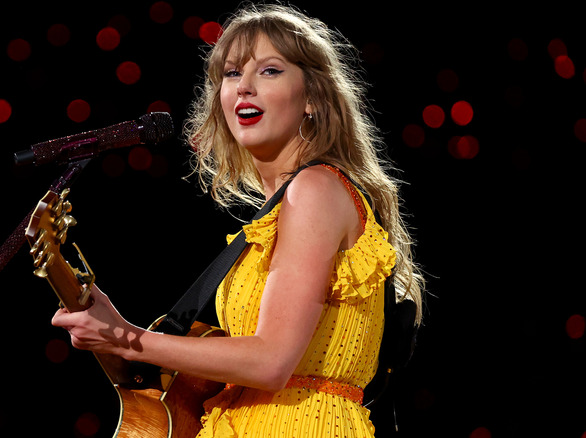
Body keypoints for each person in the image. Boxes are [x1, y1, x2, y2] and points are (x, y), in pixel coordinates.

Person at [51, 3, 424, 437]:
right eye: (231, 73)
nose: (244, 86)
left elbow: (271, 362)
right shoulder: (280, 214)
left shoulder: (317, 189)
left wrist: (126, 337)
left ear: (313, 99)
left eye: (269, 71)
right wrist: (119, 334)